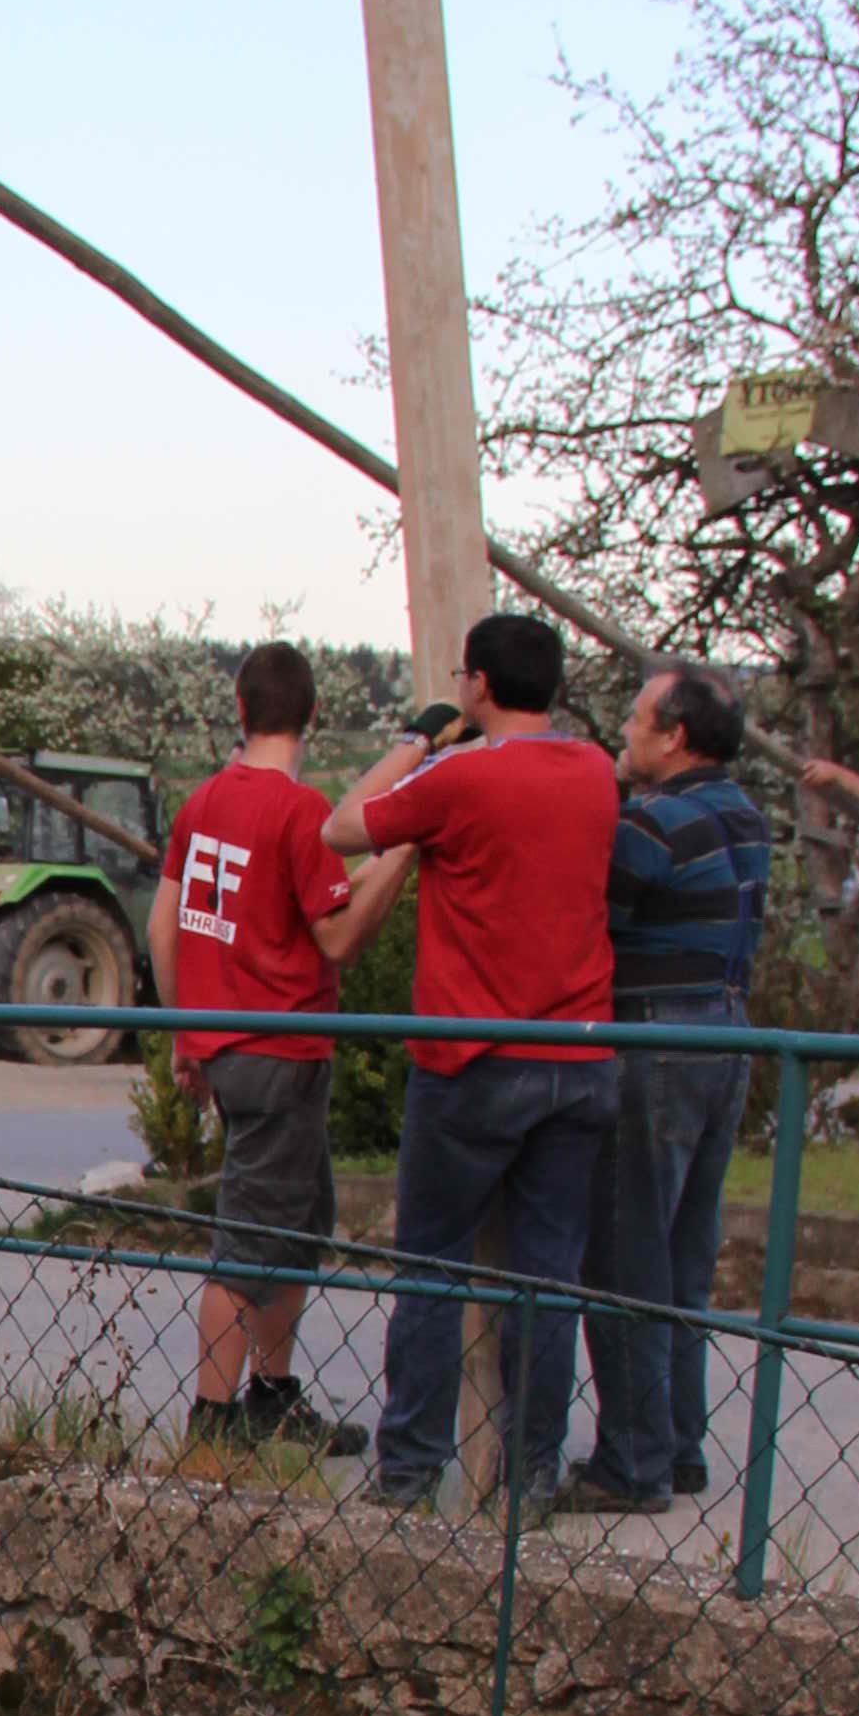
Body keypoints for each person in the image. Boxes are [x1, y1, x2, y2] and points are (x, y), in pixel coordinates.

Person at [322, 612, 620, 1513]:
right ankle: (530, 1472)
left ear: (480, 686)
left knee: (432, 1268)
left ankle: (409, 1467)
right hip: (578, 1058)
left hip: (471, 1060)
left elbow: (342, 828)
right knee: (547, 1279)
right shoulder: (598, 772)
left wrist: (420, 737)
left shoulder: (460, 779)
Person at [150, 642, 414, 1454]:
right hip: (284, 1048)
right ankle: (217, 1417)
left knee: (299, 1223)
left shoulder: (203, 805)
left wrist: (184, 1034)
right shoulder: (301, 814)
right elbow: (336, 937)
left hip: (230, 1045)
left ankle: (270, 1391)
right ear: (312, 717)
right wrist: (405, 848)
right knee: (247, 1242)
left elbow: (165, 926)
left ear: (238, 711)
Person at [562, 664, 772, 1515]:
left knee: (625, 1255)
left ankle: (632, 1465)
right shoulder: (744, 815)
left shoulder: (651, 822)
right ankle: (679, 1447)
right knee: (684, 1258)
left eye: (637, 719)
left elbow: (589, 917)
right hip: (728, 1033)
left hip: (653, 1037)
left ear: (675, 735)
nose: (626, 732)